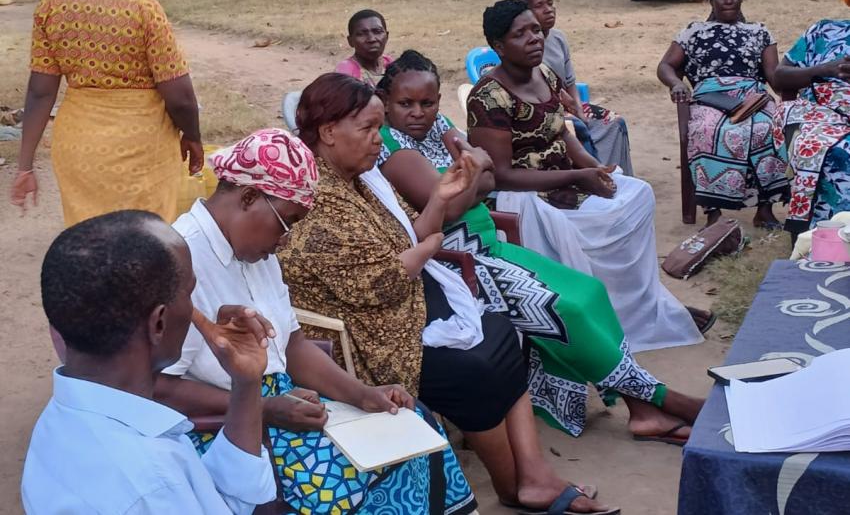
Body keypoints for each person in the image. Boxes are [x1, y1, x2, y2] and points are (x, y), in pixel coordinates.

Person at [280, 73, 618, 515]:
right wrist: (428, 247)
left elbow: (410, 237)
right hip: (362, 333)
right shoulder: (315, 197)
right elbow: (384, 281)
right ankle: (511, 486)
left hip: (403, 300)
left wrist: (440, 199)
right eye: (367, 129)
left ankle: (534, 476)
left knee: (499, 329)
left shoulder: (362, 179)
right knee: (470, 369)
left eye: (379, 128)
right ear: (328, 132)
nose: (378, 139)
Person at [377, 49, 704, 443]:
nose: (418, 112)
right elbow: (451, 205)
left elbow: (489, 179)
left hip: (488, 246)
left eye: (427, 103)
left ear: (438, 101)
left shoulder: (439, 126)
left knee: (589, 291)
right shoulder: (393, 149)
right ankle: (662, 399)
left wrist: (471, 179)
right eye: (406, 103)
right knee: (565, 308)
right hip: (455, 262)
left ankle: (642, 410)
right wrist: (473, 173)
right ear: (386, 102)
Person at [153, 128, 476, 515]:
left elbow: (292, 345)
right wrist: (262, 406)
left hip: (281, 403)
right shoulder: (181, 261)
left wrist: (362, 394)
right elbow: (158, 387)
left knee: (415, 426)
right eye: (286, 222)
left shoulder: (257, 254)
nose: (286, 240)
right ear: (249, 197)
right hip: (224, 427)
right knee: (350, 483)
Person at [467, 0, 710, 352]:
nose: (534, 38)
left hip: (565, 178)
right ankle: (604, 317)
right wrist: (577, 176)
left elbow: (562, 134)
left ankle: (641, 307)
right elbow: (501, 175)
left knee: (638, 195)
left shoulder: (545, 75)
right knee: (604, 218)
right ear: (499, 47)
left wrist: (593, 168)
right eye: (521, 34)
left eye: (536, 29)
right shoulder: (488, 97)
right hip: (524, 196)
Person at [22, 210, 277, 513]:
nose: (195, 311)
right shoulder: (151, 486)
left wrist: (246, 384)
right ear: (159, 323)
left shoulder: (66, 417)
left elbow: (223, 498)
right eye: (189, 294)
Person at [10, 0, 203, 227]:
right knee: (144, 237)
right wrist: (192, 136)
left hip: (78, 147)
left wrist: (25, 166)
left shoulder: (53, 3)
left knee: (90, 236)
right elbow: (180, 97)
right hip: (140, 148)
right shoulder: (143, 7)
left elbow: (40, 92)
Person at [657, 0, 789, 228]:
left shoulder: (759, 32)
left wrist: (795, 83)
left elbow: (774, 76)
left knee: (769, 127)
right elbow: (665, 66)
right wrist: (676, 83)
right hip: (710, 97)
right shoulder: (694, 31)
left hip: (752, 96)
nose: (728, 0)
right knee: (707, 129)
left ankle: (764, 209)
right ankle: (714, 213)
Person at [518, 0, 633, 175]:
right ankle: (595, 175)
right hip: (544, 109)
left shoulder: (558, 38)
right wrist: (570, 109)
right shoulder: (525, 45)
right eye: (539, 5)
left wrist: (578, 109)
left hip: (568, 106)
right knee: (576, 127)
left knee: (615, 123)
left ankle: (619, 176)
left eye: (550, 3)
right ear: (527, 12)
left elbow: (570, 81)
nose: (548, 9)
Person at [771, 0, 850, 235]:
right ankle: (820, 235)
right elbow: (780, 76)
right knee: (819, 148)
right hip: (821, 113)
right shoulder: (823, 31)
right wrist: (825, 69)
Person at [335, 9, 394, 88]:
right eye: (361, 34)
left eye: (377, 31)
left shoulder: (391, 65)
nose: (372, 39)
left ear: (387, 36)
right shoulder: (345, 73)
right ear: (350, 41)